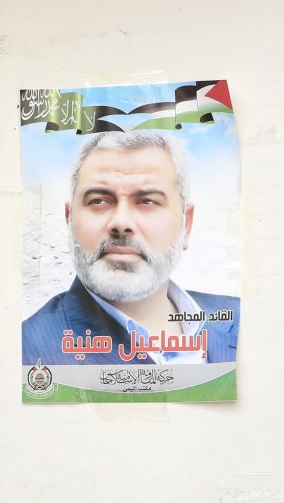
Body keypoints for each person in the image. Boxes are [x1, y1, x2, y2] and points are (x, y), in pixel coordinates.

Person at [22, 130, 239, 365]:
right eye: (98, 200)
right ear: (69, 220)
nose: (121, 223)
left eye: (147, 201)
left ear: (186, 225)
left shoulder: (247, 319)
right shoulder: (25, 351)